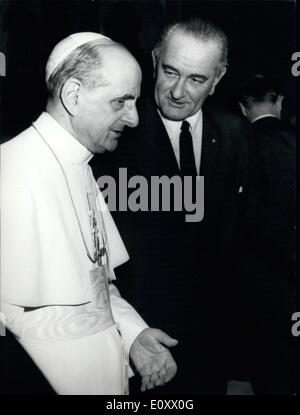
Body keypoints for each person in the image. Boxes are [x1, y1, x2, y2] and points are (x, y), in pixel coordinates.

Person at [0, 32, 179, 395]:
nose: (133, 119)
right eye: (120, 102)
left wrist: (132, 336)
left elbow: (92, 283)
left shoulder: (79, 165)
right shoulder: (10, 171)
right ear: (73, 96)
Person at [91, 18, 252, 394]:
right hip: (141, 348)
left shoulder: (236, 134)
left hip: (211, 350)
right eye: (170, 71)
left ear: (218, 78)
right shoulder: (115, 134)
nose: (178, 91)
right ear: (153, 60)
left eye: (196, 79)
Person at [237, 75, 296, 394]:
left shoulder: (238, 144)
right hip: (290, 263)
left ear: (242, 108)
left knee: (265, 356)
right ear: (280, 101)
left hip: (254, 271)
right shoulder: (293, 140)